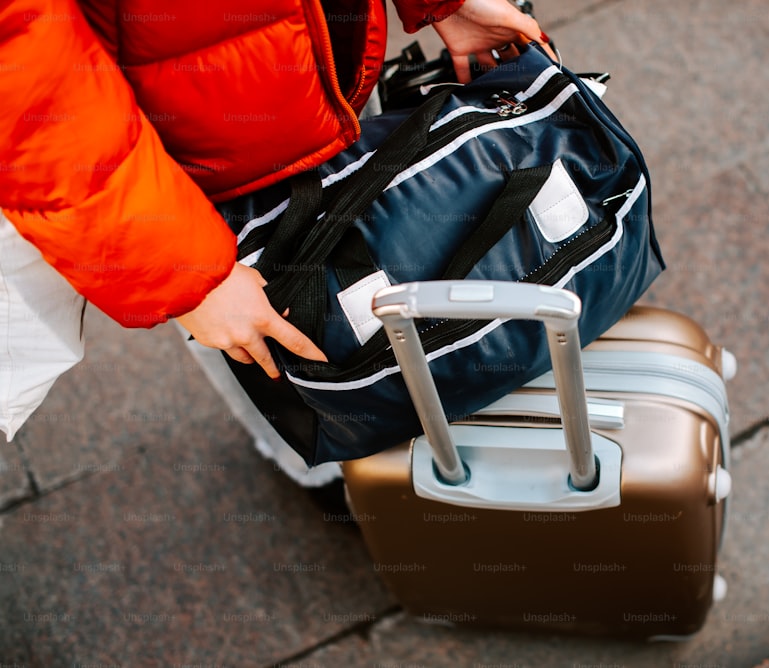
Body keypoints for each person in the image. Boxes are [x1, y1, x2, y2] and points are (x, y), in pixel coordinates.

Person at [0, 0, 551, 479]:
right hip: (197, 157)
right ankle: (335, 471)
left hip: (328, 72)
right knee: (284, 349)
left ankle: (371, 451)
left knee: (375, 283)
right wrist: (186, 273)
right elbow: (23, 73)